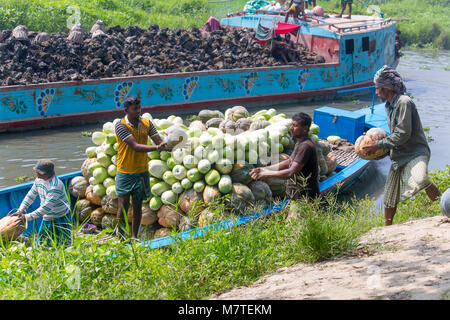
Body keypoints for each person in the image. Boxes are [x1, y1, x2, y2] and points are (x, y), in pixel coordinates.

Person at [362, 66, 441, 226]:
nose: (376, 93)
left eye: (378, 89)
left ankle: (444, 210)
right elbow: (395, 136)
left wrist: (378, 144)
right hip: (399, 155)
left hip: (415, 152)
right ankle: (387, 228)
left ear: (387, 88)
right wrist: (384, 151)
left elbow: (402, 134)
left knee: (421, 179)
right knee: (389, 197)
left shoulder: (404, 102)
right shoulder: (389, 105)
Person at [114, 96, 171, 240]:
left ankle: (134, 237)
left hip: (141, 171)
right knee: (123, 206)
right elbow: (135, 146)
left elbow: (157, 140)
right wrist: (158, 147)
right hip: (125, 171)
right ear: (126, 110)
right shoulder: (120, 126)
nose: (138, 111)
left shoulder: (146, 122)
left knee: (138, 205)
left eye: (139, 108)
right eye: (135, 109)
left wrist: (167, 144)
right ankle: (120, 238)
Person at [250, 112, 320, 201]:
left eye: (295, 126)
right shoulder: (301, 142)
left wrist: (266, 174)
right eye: (291, 125)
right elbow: (289, 162)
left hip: (304, 198)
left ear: (305, 129)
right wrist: (265, 169)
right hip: (297, 196)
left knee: (297, 215)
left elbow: (290, 172)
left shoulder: (305, 146)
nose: (291, 128)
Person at [12, 159, 72, 245]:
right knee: (42, 242)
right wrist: (20, 210)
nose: (36, 174)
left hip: (59, 216)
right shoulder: (38, 180)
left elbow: (46, 208)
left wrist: (26, 217)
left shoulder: (55, 186)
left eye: (38, 172)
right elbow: (31, 195)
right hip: (47, 216)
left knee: (64, 243)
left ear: (45, 173)